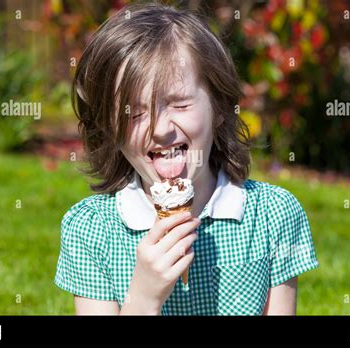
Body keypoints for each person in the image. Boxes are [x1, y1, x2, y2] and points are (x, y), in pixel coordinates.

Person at [55, 2, 318, 315]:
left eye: (179, 105)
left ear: (219, 107)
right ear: (109, 128)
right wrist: (144, 298)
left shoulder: (273, 216)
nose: (161, 129)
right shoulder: (90, 229)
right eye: (135, 113)